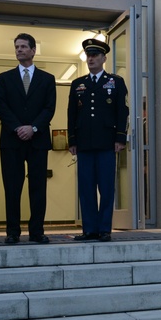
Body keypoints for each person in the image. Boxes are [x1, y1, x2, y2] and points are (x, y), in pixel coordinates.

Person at [0, 33, 57, 245]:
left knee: (38, 187)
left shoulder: (48, 79)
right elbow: (1, 107)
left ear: (33, 50)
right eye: (17, 47)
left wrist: (34, 127)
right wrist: (18, 128)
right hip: (11, 141)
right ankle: (12, 231)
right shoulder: (5, 78)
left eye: (23, 46)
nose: (19, 50)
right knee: (12, 187)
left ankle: (36, 231)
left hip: (38, 140)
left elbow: (49, 108)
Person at [68, 37, 128, 242]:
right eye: (88, 55)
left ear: (104, 58)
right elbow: (71, 114)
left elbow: (123, 111)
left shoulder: (115, 82)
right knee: (86, 188)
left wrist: (121, 138)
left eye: (94, 55)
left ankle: (104, 229)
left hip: (107, 143)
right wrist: (72, 141)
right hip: (84, 143)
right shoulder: (78, 84)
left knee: (106, 187)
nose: (90, 58)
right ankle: (89, 229)